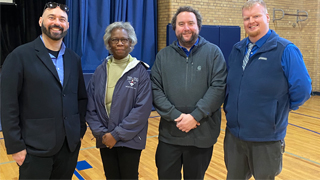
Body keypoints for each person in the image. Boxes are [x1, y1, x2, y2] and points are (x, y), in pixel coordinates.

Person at [223, 0, 312, 179]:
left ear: (267, 17)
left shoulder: (285, 49)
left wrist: (279, 109)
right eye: (247, 18)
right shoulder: (237, 49)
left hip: (266, 139)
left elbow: (302, 89)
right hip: (234, 136)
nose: (251, 21)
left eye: (256, 16)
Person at [0, 2, 87, 179]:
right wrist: (15, 146)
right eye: (52, 17)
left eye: (62, 19)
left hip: (68, 147)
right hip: (34, 150)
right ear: (41, 21)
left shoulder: (74, 59)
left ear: (67, 25)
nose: (57, 22)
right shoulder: (19, 56)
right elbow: (8, 103)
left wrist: (79, 131)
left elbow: (81, 98)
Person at [151, 6, 227, 180]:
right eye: (181, 24)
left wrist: (195, 117)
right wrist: (176, 116)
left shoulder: (214, 53)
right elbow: (156, 89)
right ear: (175, 28)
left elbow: (218, 88)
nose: (186, 28)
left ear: (198, 26)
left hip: (201, 136)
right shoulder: (163, 56)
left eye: (191, 23)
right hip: (170, 135)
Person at [86, 21, 153, 180]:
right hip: (105, 138)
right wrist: (102, 134)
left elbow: (142, 110)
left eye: (124, 39)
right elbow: (90, 106)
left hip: (130, 139)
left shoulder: (140, 71)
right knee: (111, 176)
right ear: (108, 43)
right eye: (115, 40)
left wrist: (116, 134)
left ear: (131, 42)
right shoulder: (100, 70)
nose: (120, 43)